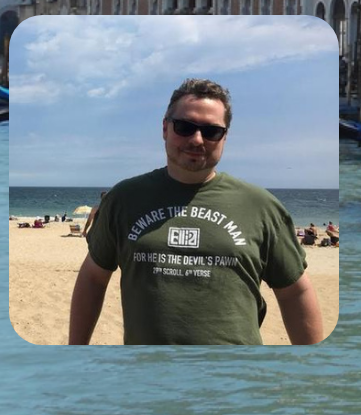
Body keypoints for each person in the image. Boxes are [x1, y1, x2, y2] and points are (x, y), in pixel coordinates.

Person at [67, 78, 324, 345]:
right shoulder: (124, 199)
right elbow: (94, 277)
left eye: (212, 131)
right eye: (185, 127)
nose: (197, 139)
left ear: (225, 137)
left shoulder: (261, 206)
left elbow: (294, 292)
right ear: (165, 128)